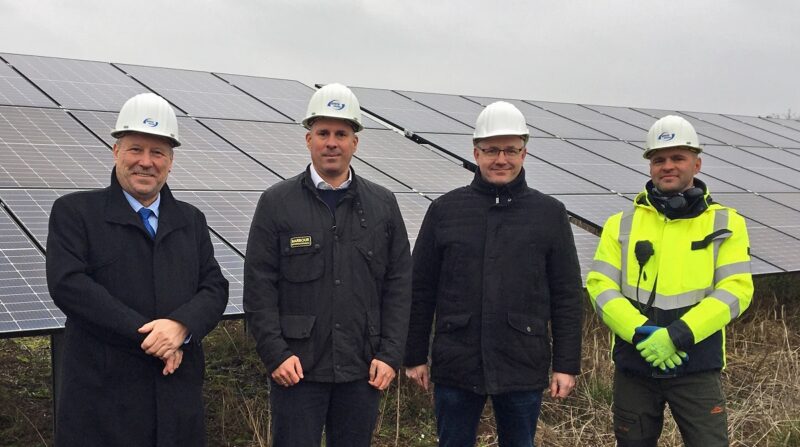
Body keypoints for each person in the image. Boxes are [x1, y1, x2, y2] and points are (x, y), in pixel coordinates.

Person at [46, 92, 229, 446]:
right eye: (135, 149)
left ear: (171, 161)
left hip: (177, 399)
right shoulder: (76, 213)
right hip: (102, 404)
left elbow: (214, 286)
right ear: (116, 152)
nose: (146, 162)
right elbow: (69, 285)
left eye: (158, 152)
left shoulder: (190, 220)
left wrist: (181, 327)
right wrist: (152, 337)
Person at [403, 101, 584, 447]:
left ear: (524, 153)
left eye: (511, 150)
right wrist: (414, 355)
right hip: (457, 363)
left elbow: (566, 295)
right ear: (476, 152)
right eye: (491, 150)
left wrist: (566, 364)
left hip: (522, 362)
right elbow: (420, 288)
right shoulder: (445, 211)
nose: (501, 159)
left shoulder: (549, 214)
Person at [243, 83, 412, 447]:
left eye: (341, 133)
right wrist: (276, 354)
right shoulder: (276, 202)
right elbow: (259, 288)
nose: (331, 142)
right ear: (308, 140)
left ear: (355, 142)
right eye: (323, 133)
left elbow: (399, 285)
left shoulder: (383, 205)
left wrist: (389, 354)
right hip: (297, 370)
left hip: (362, 368)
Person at [586, 115, 754, 446]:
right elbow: (600, 287)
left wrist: (676, 337)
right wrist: (640, 332)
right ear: (650, 166)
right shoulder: (620, 224)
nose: (668, 166)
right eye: (659, 159)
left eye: (678, 157)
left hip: (696, 366)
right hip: (636, 365)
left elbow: (736, 290)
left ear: (697, 163)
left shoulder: (725, 222)